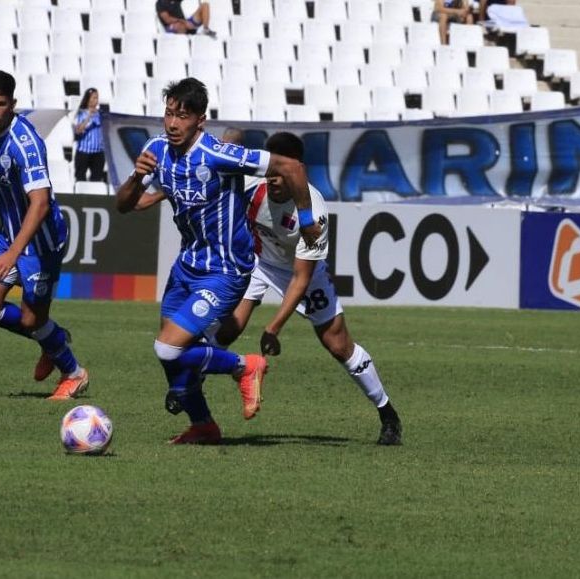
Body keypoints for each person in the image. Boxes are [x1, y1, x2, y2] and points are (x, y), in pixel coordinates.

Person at [115, 78, 322, 445]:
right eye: (169, 114)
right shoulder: (156, 151)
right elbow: (126, 205)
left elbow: (292, 168)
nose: (174, 123)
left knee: (168, 347)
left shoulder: (218, 154)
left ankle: (246, 366)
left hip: (226, 270)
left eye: (183, 115)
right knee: (172, 354)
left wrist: (306, 220)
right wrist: (137, 176)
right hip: (187, 265)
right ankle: (204, 427)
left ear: (200, 120)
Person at [213, 132, 403, 446]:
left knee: (338, 345)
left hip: (303, 274)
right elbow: (225, 153)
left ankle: (388, 414)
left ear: (297, 170)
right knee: (225, 332)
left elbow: (301, 279)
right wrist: (228, 141)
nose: (273, 177)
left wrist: (274, 328)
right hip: (260, 264)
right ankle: (189, 389)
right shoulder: (252, 186)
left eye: (281, 170)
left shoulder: (313, 213)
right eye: (270, 168)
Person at [0, 70, 89, 401]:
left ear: (12, 104)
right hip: (11, 233)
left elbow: (40, 203)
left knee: (31, 320)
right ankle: (53, 338)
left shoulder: (25, 144)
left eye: (0, 104)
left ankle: (74, 373)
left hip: (40, 242)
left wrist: (14, 253)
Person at [72, 87, 105, 183]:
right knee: (80, 178)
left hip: (98, 152)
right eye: (94, 98)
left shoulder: (101, 114)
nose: (96, 100)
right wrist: (89, 116)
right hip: (83, 152)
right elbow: (78, 131)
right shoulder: (80, 113)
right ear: (88, 99)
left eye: (97, 98)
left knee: (96, 180)